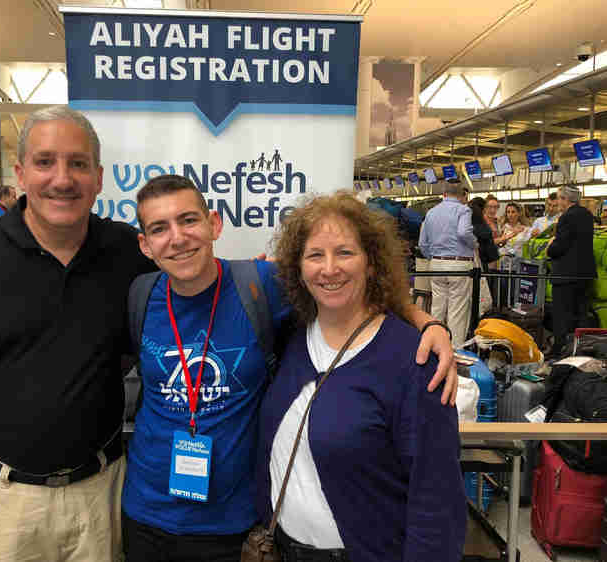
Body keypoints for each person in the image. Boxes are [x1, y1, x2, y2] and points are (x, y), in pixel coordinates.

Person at [122, 176, 458, 562]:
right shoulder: (139, 296)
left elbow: (350, 294)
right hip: (146, 514)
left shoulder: (259, 287)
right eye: (160, 229)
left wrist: (428, 324)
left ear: (214, 224)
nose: (178, 238)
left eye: (188, 220)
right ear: (145, 244)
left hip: (232, 525)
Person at [0, 106, 157, 562]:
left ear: (99, 177)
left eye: (78, 163)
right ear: (21, 173)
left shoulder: (127, 252)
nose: (62, 179)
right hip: (2, 502)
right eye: (45, 162)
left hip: (100, 496)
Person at [256, 192, 466, 562]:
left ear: (372, 263)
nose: (329, 268)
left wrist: (432, 325)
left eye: (345, 253)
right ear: (298, 268)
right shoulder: (290, 336)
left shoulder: (414, 361)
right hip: (281, 549)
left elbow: (436, 500)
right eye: (315, 255)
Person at [419, 181, 477, 346]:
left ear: (443, 194)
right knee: (457, 311)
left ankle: (434, 346)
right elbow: (463, 231)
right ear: (461, 196)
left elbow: (423, 244)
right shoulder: (463, 210)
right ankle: (454, 353)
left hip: (436, 265)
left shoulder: (430, 212)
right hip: (459, 266)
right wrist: (474, 243)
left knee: (437, 309)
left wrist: (435, 257)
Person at [546, 185, 596, 357]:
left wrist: (550, 246)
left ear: (565, 200)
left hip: (566, 276)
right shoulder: (587, 215)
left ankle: (561, 352)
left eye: (559, 198)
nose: (558, 202)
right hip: (585, 275)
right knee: (581, 314)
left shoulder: (567, 217)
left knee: (562, 317)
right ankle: (581, 351)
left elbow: (559, 248)